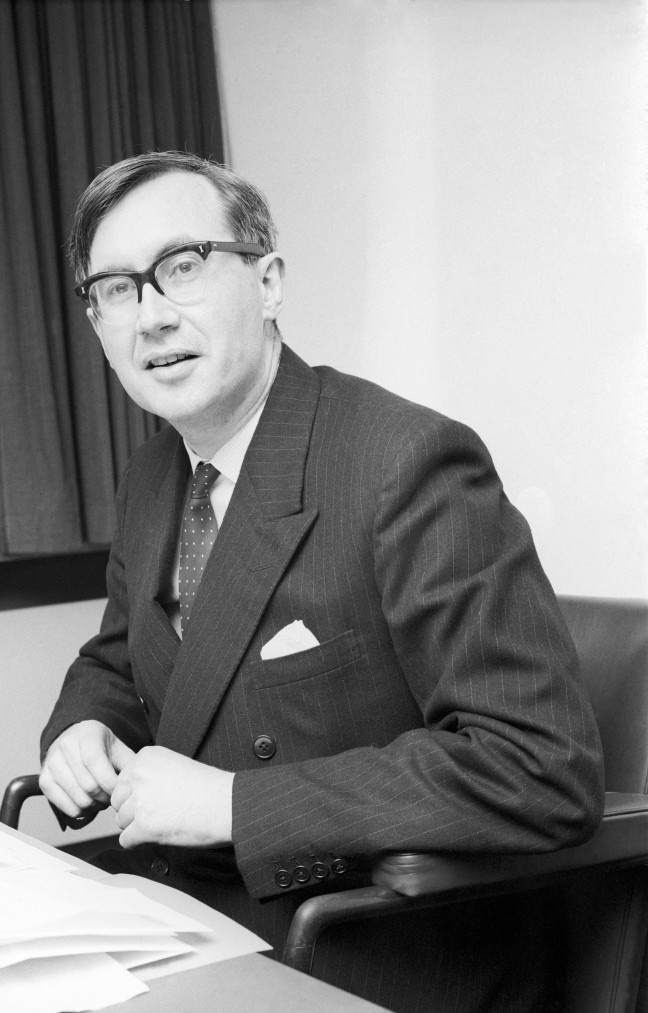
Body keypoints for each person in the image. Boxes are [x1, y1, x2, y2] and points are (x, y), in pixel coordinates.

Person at [39, 150, 604, 1011]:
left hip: (366, 947)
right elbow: (122, 657)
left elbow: (538, 766)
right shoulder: (158, 471)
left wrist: (237, 804)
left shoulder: (406, 462)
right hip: (191, 917)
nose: (150, 316)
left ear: (267, 283)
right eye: (116, 289)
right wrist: (82, 725)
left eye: (181, 269)